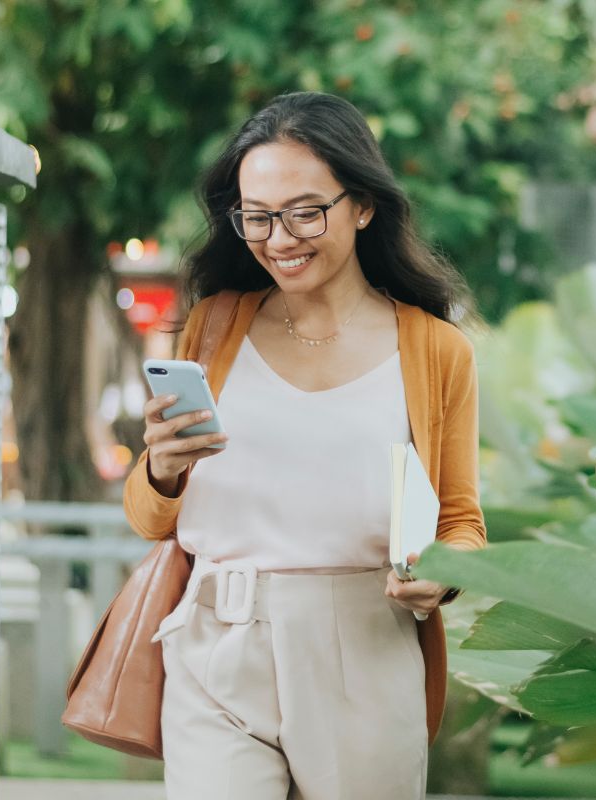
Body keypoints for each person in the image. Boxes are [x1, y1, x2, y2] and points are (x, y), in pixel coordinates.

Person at [123, 91, 486, 800]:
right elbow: (150, 518)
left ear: (363, 205)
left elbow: (461, 522)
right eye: (257, 216)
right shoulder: (213, 328)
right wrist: (160, 470)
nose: (279, 239)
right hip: (215, 643)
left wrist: (440, 574)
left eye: (305, 212)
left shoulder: (436, 350)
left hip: (365, 644)